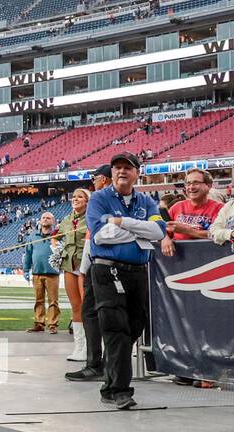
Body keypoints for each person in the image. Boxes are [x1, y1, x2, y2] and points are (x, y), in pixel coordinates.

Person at [86, 153, 166, 410]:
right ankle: (121, 390)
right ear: (111, 172)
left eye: (127, 168)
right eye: (117, 167)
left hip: (137, 271)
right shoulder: (99, 198)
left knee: (134, 325)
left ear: (137, 173)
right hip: (107, 271)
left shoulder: (146, 200)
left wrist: (121, 222)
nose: (122, 171)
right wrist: (137, 230)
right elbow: (101, 236)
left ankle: (109, 386)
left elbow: (158, 231)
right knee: (115, 328)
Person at [66, 165, 113, 383]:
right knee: (93, 310)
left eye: (95, 178)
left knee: (97, 311)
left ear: (103, 179)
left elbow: (91, 236)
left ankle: (98, 362)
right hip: (100, 259)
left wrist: (83, 267)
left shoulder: (99, 200)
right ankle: (98, 360)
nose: (93, 181)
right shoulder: (111, 199)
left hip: (103, 260)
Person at [55, 189, 89, 362]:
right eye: (73, 196)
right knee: (75, 306)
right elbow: (55, 237)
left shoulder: (91, 218)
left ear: (87, 201)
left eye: (80, 197)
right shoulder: (66, 220)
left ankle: (92, 347)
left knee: (88, 307)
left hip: (86, 266)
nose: (75, 199)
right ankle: (79, 347)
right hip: (69, 265)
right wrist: (56, 250)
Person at [162, 169, 226, 252]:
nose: (191, 187)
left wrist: (186, 230)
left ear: (208, 185)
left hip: (209, 258)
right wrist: (165, 238)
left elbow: (218, 234)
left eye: (196, 183)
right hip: (179, 259)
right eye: (188, 183)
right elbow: (163, 228)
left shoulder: (220, 208)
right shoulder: (177, 207)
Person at [23, 212, 61, 334]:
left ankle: (52, 324)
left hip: (52, 273)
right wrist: (25, 270)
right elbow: (28, 254)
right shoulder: (32, 236)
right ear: (40, 220)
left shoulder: (57, 235)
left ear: (53, 221)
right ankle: (39, 323)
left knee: (53, 301)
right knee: (38, 300)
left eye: (48, 218)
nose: (45, 219)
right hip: (37, 273)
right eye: (43, 218)